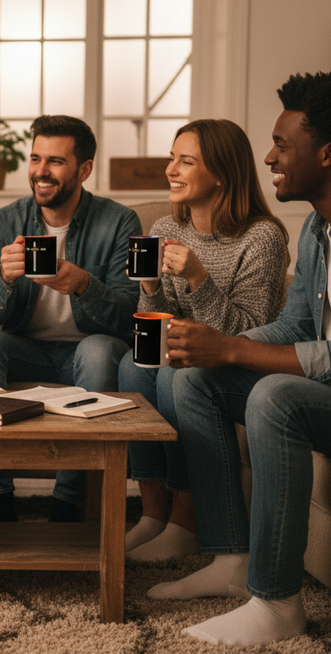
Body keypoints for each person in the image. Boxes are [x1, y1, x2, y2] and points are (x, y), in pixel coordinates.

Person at [148, 71, 331, 648]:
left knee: (276, 396)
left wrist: (232, 345)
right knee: (196, 381)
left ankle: (278, 601)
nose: (268, 156)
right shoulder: (317, 226)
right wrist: (213, 351)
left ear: (329, 153)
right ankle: (231, 556)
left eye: (283, 145)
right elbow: (295, 327)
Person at [120, 119, 289, 562]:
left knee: (178, 375)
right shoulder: (163, 227)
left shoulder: (262, 238)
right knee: (129, 364)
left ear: (220, 173)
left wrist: (198, 277)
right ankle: (153, 514)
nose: (170, 170)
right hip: (184, 353)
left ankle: (185, 518)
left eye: (185, 161)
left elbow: (250, 330)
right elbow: (159, 318)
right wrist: (152, 287)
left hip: (235, 362)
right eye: (172, 159)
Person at [0, 114, 140, 523]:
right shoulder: (7, 220)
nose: (41, 171)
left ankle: (67, 502)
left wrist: (82, 284)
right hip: (28, 349)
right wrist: (4, 277)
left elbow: (129, 317)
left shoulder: (118, 222)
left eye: (55, 162)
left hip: (88, 346)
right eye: (35, 158)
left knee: (97, 351)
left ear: (85, 169)